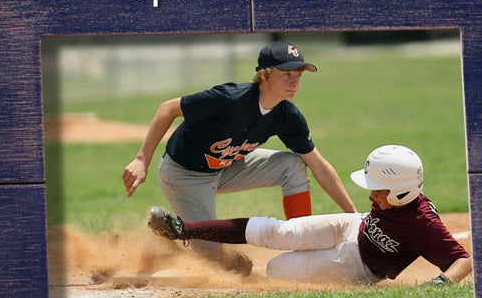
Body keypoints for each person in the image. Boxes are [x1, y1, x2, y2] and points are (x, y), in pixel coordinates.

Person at [122, 40, 356, 261]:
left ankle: (303, 243)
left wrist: (354, 217)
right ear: (264, 74)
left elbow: (320, 167)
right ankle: (166, 240)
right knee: (212, 258)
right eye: (286, 74)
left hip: (226, 166)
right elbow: (168, 108)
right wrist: (141, 160)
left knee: (292, 164)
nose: (295, 82)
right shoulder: (230, 99)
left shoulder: (287, 116)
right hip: (184, 175)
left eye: (298, 75)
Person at [146, 145, 472, 286]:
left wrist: (442, 283)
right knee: (278, 232)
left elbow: (463, 260)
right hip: (352, 226)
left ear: (402, 192)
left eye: (379, 190)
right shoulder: (391, 198)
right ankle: (181, 228)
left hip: (360, 267)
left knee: (277, 269)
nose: (371, 194)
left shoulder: (423, 224)